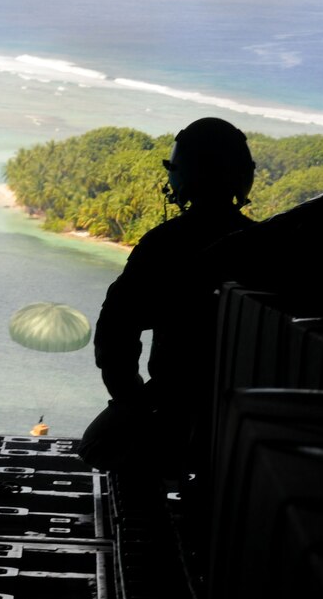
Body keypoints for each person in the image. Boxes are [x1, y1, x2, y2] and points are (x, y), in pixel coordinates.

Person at [78, 117, 255, 480]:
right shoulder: (265, 245)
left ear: (180, 177)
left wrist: (131, 401)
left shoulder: (164, 245)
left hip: (175, 403)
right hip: (254, 410)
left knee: (99, 446)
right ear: (243, 176)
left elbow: (116, 329)